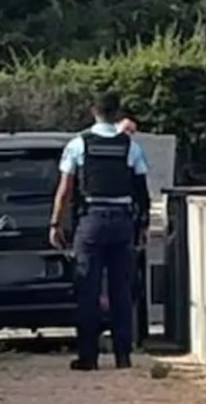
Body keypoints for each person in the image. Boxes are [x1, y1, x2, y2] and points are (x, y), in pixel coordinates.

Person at [49, 92, 151, 371]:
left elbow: (65, 190)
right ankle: (122, 355)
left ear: (93, 112)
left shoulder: (78, 145)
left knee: (87, 289)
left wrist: (56, 223)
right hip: (122, 223)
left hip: (91, 221)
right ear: (117, 113)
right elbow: (142, 192)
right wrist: (142, 226)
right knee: (121, 289)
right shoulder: (131, 147)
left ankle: (88, 356)